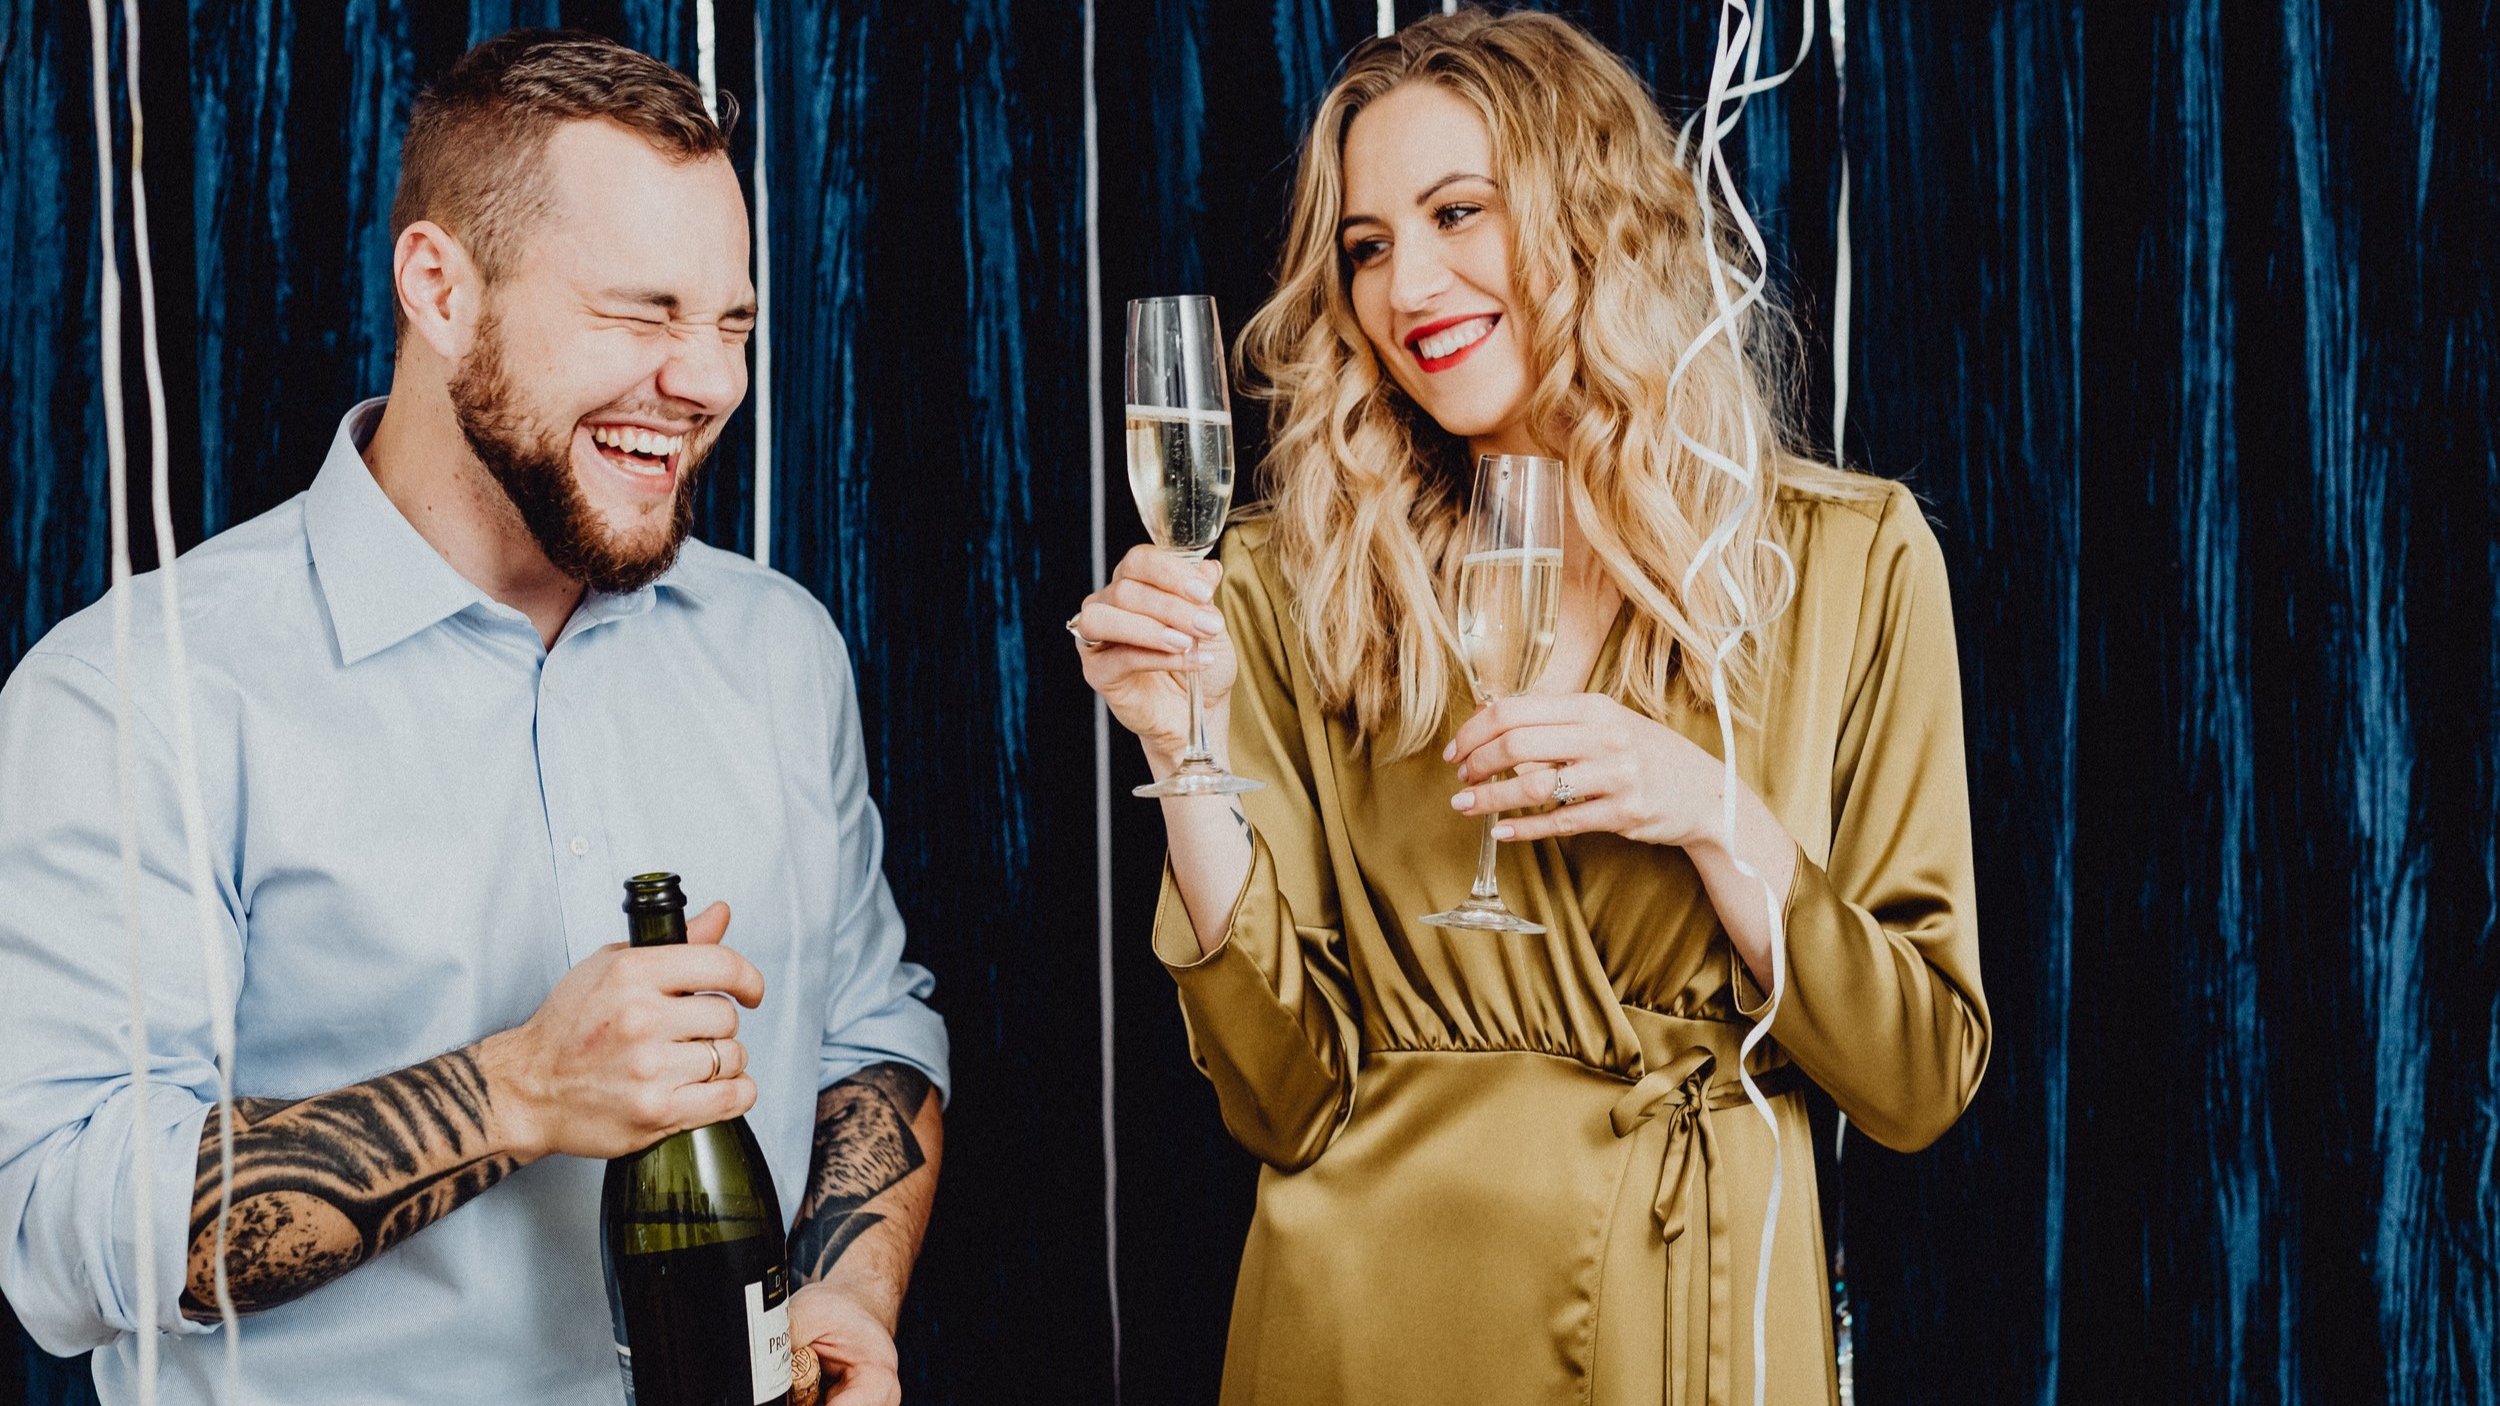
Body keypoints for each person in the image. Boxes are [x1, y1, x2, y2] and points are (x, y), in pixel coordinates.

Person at [0, 31, 944, 1406]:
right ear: (440, 289)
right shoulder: (137, 695)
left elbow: (866, 1032)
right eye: (642, 313)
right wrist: (518, 1090)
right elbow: (59, 1229)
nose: (709, 382)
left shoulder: (779, 648)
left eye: (732, 325)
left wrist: (848, 1285)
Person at [1071, 10, 1988, 1404]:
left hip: (1691, 1316)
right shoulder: (1283, 580)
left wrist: (1712, 812)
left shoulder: (1850, 562)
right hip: (1364, 1330)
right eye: (1366, 246)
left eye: (1458, 213)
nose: (1407, 285)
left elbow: (1918, 1076)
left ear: (1599, 217)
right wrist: (1177, 749)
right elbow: (1281, 1097)